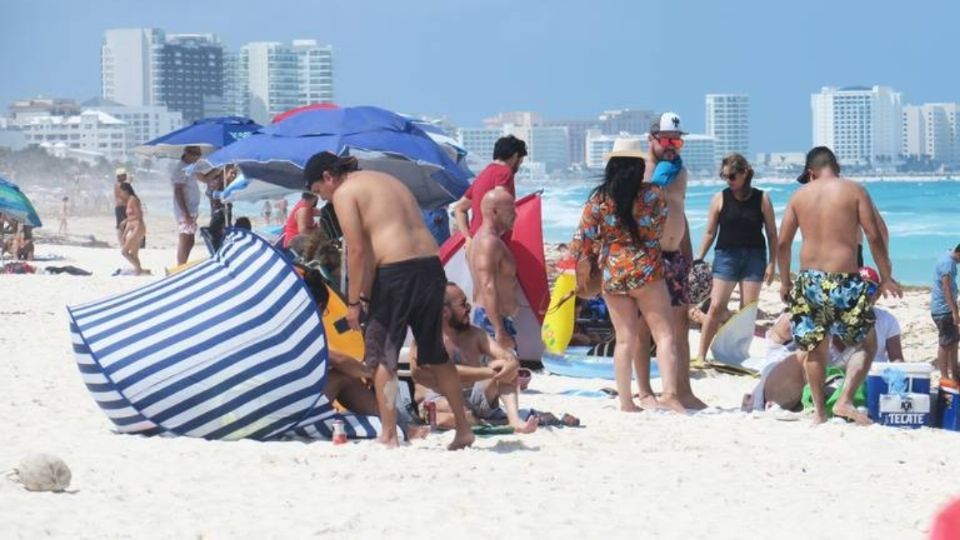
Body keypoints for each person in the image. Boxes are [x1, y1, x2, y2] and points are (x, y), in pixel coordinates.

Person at [305, 151, 474, 450]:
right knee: (436, 354)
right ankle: (463, 428)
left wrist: (354, 304)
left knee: (383, 356)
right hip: (431, 267)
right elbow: (374, 249)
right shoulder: (386, 180)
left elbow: (357, 252)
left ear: (329, 177)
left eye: (320, 191)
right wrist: (368, 294)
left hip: (397, 272)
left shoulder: (344, 193)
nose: (324, 199)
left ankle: (389, 433)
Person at [778, 146, 902, 425]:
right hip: (845, 279)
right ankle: (844, 400)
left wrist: (784, 280)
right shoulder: (854, 190)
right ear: (837, 165)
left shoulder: (799, 196)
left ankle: (819, 413)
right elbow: (873, 235)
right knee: (866, 344)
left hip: (809, 280)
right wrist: (885, 276)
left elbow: (783, 243)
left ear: (810, 172)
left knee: (815, 348)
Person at [569, 137, 685, 413]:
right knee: (664, 334)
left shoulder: (598, 199)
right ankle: (669, 395)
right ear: (638, 165)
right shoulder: (652, 194)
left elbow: (583, 240)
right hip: (646, 270)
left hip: (613, 271)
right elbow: (657, 230)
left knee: (624, 339)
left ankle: (626, 402)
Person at [299, 266, 428, 441]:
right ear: (319, 305)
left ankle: (400, 424)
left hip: (263, 405)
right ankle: (402, 427)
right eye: (324, 312)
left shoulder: (279, 321)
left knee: (343, 374)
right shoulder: (301, 326)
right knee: (345, 378)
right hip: (287, 410)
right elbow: (335, 358)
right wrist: (369, 373)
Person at [636, 113, 706, 410]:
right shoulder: (641, 169)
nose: (671, 146)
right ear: (651, 139)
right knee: (643, 326)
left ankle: (682, 390)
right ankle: (645, 392)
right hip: (647, 255)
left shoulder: (680, 171)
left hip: (675, 256)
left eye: (676, 140)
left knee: (679, 325)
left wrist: (690, 258)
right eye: (665, 139)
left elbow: (680, 215)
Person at [412, 282, 538, 433]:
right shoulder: (426, 340)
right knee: (446, 409)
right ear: (445, 312)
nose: (469, 309)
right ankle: (489, 421)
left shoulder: (475, 334)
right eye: (463, 305)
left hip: (475, 398)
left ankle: (514, 420)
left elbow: (507, 356)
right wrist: (491, 372)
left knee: (504, 365)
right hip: (439, 399)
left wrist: (510, 364)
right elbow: (448, 372)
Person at [695, 153, 778, 366]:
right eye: (725, 177)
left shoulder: (762, 198)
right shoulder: (720, 198)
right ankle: (701, 355)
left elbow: (771, 233)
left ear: (744, 174)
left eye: (732, 176)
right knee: (715, 307)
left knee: (747, 310)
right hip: (726, 257)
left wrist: (772, 263)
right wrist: (699, 258)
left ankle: (736, 354)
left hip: (755, 257)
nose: (728, 181)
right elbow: (710, 232)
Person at [467, 188, 520, 351]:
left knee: (503, 375)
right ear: (495, 212)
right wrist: (500, 331)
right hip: (492, 323)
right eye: (510, 210)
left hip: (493, 320)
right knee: (504, 374)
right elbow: (487, 287)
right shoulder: (488, 243)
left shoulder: (480, 239)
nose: (515, 214)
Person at [452, 135, 527, 242]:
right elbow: (500, 204)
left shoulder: (483, 175)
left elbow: (459, 208)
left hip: (476, 241)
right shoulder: (505, 172)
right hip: (493, 242)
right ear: (515, 156)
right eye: (521, 161)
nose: (519, 166)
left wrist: (467, 238)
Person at [930, 244, 960, 380]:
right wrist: (954, 311)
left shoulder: (948, 258)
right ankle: (944, 377)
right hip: (943, 310)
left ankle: (955, 375)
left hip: (944, 309)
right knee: (946, 343)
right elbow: (946, 288)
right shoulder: (948, 264)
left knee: (953, 342)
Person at [171, 146, 203, 266]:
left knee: (190, 240)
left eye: (199, 155)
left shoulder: (190, 168)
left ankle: (182, 264)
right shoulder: (181, 168)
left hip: (191, 209)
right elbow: (178, 191)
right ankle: (180, 266)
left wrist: (219, 169)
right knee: (185, 239)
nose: (198, 157)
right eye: (196, 154)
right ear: (187, 153)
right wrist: (185, 213)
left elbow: (204, 178)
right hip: (186, 210)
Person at [117, 183, 148, 275]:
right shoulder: (129, 201)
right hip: (135, 227)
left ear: (125, 191)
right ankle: (139, 271)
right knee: (134, 254)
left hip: (138, 227)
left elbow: (139, 215)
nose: (120, 194)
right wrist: (124, 234)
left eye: (121, 192)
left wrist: (125, 221)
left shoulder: (133, 199)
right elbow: (130, 222)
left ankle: (138, 269)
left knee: (124, 252)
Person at [113, 168, 129, 240]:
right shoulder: (119, 184)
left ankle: (124, 241)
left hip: (123, 206)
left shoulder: (121, 184)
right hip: (120, 207)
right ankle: (122, 242)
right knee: (120, 225)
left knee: (124, 225)